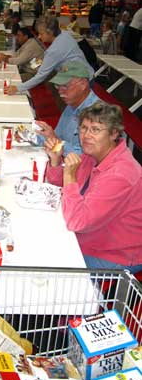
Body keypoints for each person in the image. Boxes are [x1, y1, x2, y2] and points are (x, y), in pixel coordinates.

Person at [45, 101, 142, 273]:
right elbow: (61, 191)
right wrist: (55, 161)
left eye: (95, 129)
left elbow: (77, 221)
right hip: (89, 236)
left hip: (114, 254)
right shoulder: (93, 155)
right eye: (83, 128)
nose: (86, 135)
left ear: (114, 133)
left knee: (45, 260)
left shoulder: (120, 174)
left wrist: (70, 175)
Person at [6, 16, 94, 95]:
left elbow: (40, 76)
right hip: (85, 73)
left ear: (50, 32)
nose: (39, 37)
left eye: (41, 33)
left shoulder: (54, 50)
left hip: (81, 80)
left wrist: (18, 88)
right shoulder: (64, 34)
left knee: (73, 107)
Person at [34, 61, 99, 154]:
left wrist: (54, 140)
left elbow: (83, 158)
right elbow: (57, 138)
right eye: (58, 86)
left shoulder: (98, 113)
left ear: (83, 84)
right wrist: (31, 137)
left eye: (65, 86)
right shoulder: (72, 104)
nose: (60, 91)